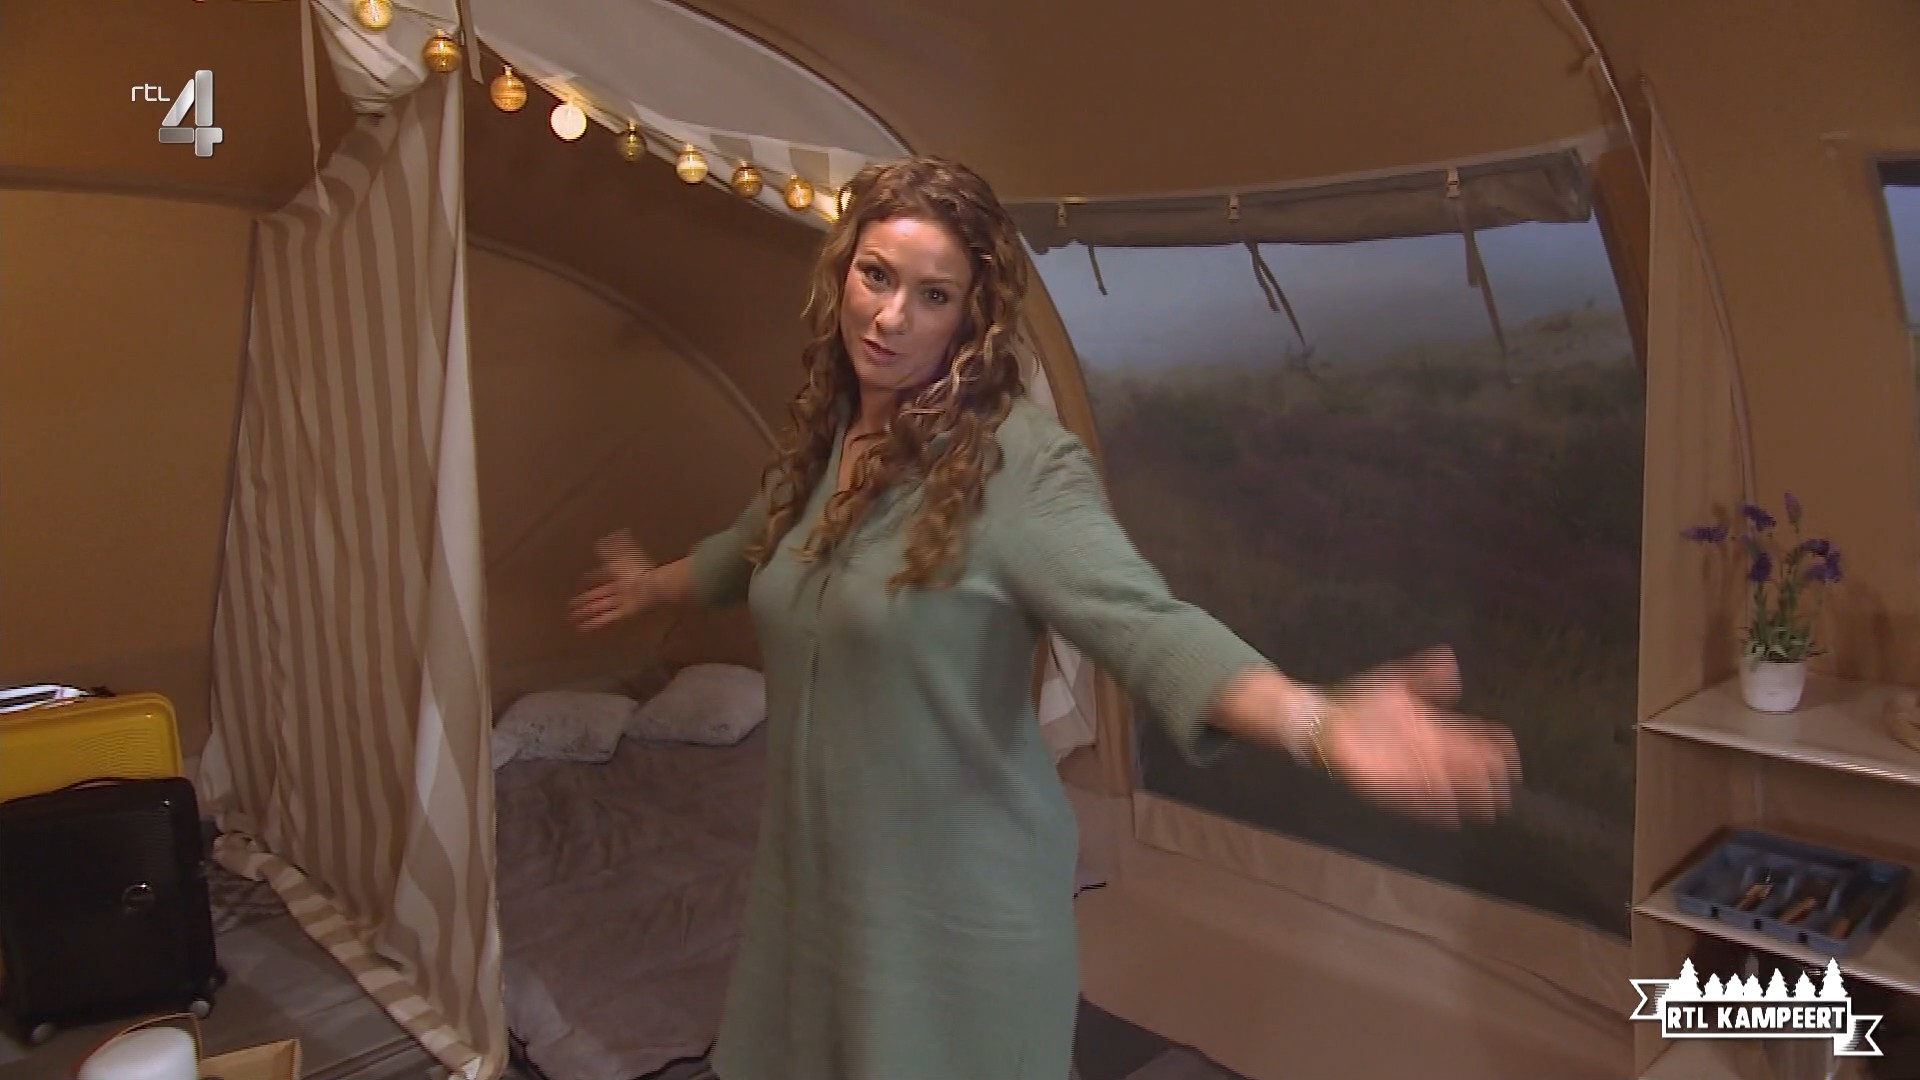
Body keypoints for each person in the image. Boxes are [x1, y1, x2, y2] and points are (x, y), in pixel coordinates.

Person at [571, 155, 1521, 1080]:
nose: (892, 316)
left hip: (958, 913)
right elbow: (749, 550)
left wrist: (1317, 722)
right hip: (812, 893)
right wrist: (651, 587)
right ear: (843, 271)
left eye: (933, 295)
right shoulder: (823, 438)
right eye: (876, 276)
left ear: (971, 316)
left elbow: (1146, 624)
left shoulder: (1016, 465)